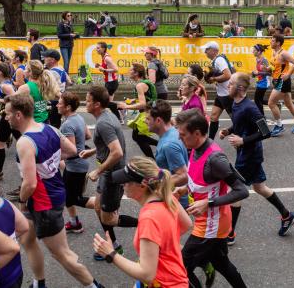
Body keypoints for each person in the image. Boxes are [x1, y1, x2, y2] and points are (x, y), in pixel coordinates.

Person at [6, 93, 104, 288]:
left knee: (62, 253)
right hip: (53, 192)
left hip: (44, 202)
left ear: (18, 115)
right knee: (28, 239)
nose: (5, 117)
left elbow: (30, 183)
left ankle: (94, 286)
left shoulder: (25, 142)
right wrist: (51, 163)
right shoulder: (49, 128)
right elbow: (70, 150)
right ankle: (38, 282)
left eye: (8, 114)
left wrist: (22, 203)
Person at [175, 109, 249, 288]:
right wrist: (184, 190)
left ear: (197, 133)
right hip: (210, 222)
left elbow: (242, 190)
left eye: (183, 135)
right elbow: (200, 181)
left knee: (181, 269)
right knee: (221, 263)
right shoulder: (194, 148)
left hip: (211, 227)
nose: (179, 139)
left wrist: (207, 203)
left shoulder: (215, 159)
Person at [221, 73, 294, 244]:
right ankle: (287, 215)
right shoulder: (236, 103)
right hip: (245, 153)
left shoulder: (250, 107)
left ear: (240, 88)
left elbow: (265, 131)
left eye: (230, 83)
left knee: (235, 191)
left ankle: (230, 234)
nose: (227, 86)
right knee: (259, 187)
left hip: (249, 156)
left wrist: (243, 140)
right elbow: (241, 123)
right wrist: (229, 129)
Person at [93, 156, 191, 287]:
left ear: (143, 185)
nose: (122, 184)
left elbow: (147, 274)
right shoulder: (167, 197)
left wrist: (110, 253)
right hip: (175, 277)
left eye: (126, 181)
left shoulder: (149, 218)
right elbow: (186, 224)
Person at [79, 86, 138, 259]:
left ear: (97, 104)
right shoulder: (105, 116)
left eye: (88, 101)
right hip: (108, 173)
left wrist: (98, 170)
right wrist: (92, 152)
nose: (85, 103)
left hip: (112, 175)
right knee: (98, 207)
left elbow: (117, 152)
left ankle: (145, 223)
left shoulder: (104, 123)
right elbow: (108, 144)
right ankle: (113, 244)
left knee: (109, 219)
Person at [58, 91, 93, 234]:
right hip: (79, 164)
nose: (57, 105)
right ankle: (75, 223)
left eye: (60, 103)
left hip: (76, 166)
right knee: (69, 196)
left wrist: (55, 156)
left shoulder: (67, 125)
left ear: (67, 107)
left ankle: (103, 204)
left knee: (73, 198)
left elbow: (71, 151)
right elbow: (88, 135)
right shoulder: (78, 117)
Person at [267, 34, 294, 136]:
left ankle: (279, 126)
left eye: (272, 40)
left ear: (278, 43)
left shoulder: (283, 53)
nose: (270, 42)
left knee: (271, 103)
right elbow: (275, 65)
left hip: (282, 81)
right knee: (288, 104)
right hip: (277, 80)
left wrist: (288, 74)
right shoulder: (273, 52)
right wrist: (267, 69)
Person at [117, 63, 158, 158]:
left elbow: (143, 104)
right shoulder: (146, 82)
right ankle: (156, 153)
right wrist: (132, 101)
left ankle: (154, 159)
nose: (128, 71)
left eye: (130, 70)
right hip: (151, 111)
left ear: (136, 73)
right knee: (138, 137)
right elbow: (148, 97)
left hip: (147, 114)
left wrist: (125, 107)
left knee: (138, 137)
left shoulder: (139, 85)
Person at [201, 41, 234, 139]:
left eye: (207, 50)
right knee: (213, 117)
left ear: (214, 50)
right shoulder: (217, 60)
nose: (205, 52)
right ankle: (210, 141)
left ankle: (244, 138)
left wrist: (214, 79)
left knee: (237, 120)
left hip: (227, 95)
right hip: (221, 94)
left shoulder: (219, 60)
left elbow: (228, 75)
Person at [15, 59, 59, 125]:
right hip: (45, 121)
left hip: (32, 124)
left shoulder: (25, 88)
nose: (24, 71)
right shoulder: (45, 83)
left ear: (30, 72)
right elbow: (60, 96)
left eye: (26, 69)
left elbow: (12, 103)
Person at [0, 62, 17, 173]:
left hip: (9, 116)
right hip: (9, 116)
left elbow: (16, 99)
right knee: (23, 140)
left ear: (0, 72)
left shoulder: (5, 85)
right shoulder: (3, 83)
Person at [43, 49, 68, 129]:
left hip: (52, 101)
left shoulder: (51, 72)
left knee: (52, 125)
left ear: (52, 60)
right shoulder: (61, 69)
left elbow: (48, 87)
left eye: (46, 57)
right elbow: (69, 82)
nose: (44, 59)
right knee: (56, 123)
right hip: (59, 99)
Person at [251, 44, 271, 115]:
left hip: (265, 82)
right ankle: (275, 104)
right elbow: (260, 72)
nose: (252, 52)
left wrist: (258, 73)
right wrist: (254, 74)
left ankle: (262, 117)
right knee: (260, 100)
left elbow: (270, 73)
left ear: (259, 52)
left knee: (257, 100)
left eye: (254, 50)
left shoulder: (264, 60)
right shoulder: (257, 59)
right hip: (260, 82)